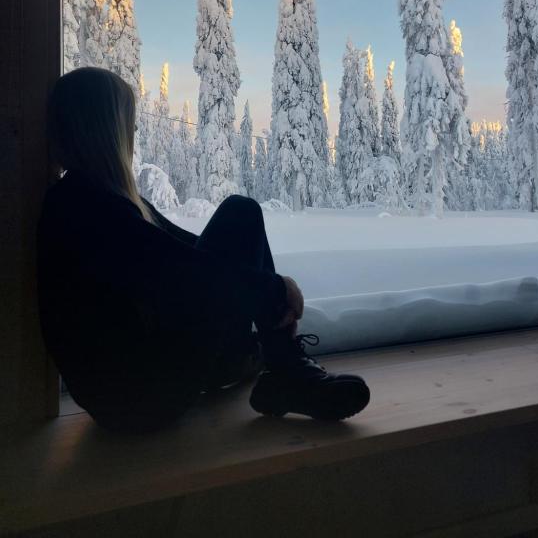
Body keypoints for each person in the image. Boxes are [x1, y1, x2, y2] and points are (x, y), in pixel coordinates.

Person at [36, 67, 370, 433]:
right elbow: (182, 272)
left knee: (233, 243)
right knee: (242, 213)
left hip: (131, 393)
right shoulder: (83, 207)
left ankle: (265, 363)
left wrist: (263, 286)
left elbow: (188, 252)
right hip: (140, 397)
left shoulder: (90, 201)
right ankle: (284, 368)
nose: (132, 133)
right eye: (127, 122)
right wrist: (274, 290)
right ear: (104, 129)